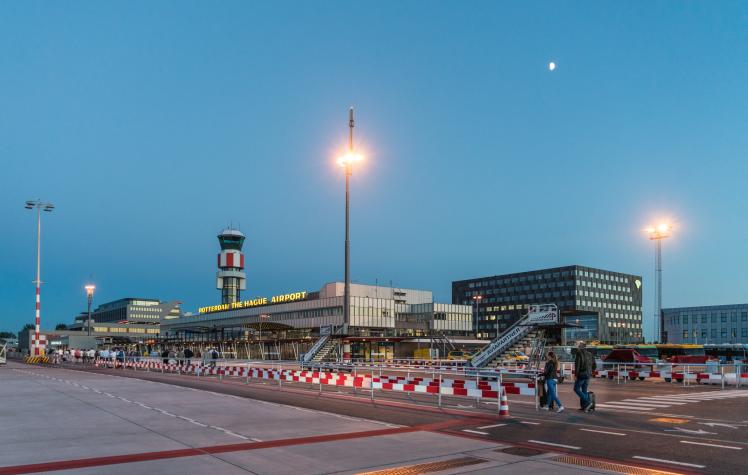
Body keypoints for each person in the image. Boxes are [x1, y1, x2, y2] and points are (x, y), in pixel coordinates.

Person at [574, 342, 594, 412]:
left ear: (581, 347)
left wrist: (576, 375)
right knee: (584, 390)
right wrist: (590, 372)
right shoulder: (590, 354)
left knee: (576, 389)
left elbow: (577, 366)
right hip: (588, 375)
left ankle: (588, 402)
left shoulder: (579, 354)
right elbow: (594, 365)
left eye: (579, 346)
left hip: (581, 375)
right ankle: (585, 407)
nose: (578, 347)